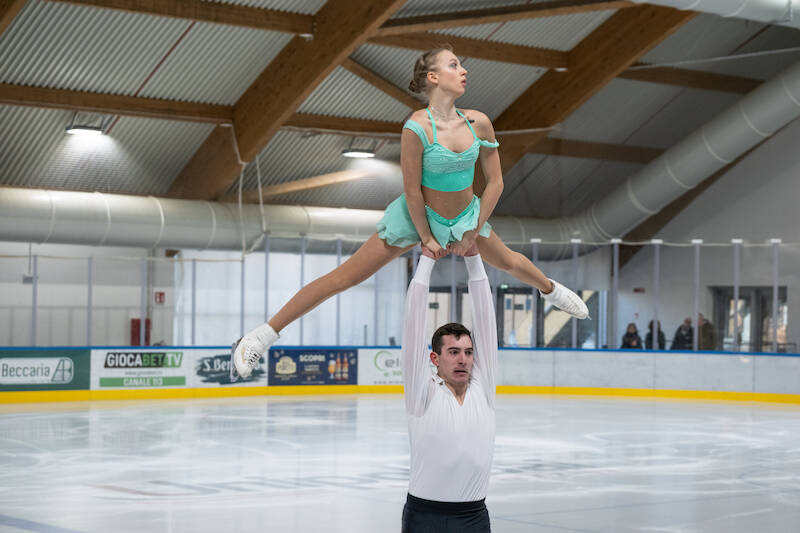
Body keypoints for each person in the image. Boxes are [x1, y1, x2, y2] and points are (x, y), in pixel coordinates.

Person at [231, 46, 587, 379]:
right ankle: (261, 336)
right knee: (346, 277)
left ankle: (551, 290)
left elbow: (495, 184)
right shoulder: (416, 126)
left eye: (461, 65)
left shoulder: (479, 122)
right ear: (433, 77)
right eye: (454, 65)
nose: (464, 71)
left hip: (466, 218)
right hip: (417, 216)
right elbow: (412, 189)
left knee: (508, 261)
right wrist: (428, 237)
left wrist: (470, 230)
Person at [401, 244, 495, 532]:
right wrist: (426, 261)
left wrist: (475, 258)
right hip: (424, 517)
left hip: (474, 518)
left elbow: (485, 320)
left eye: (467, 352)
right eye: (453, 352)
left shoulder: (483, 388)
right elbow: (413, 327)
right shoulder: (423, 393)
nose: (463, 359)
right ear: (435, 358)